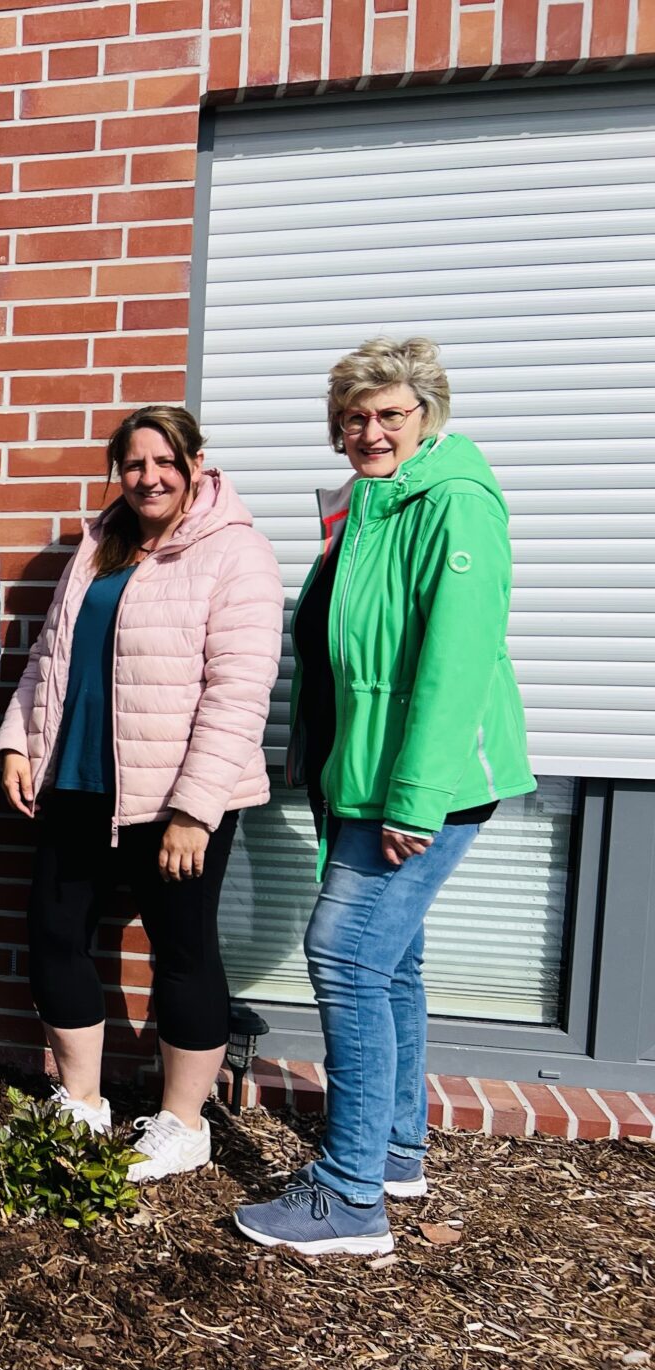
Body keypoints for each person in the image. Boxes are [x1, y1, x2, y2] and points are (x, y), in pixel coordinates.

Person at [236, 338, 533, 1254]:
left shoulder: (454, 504)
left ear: (427, 415)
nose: (369, 430)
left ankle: (349, 1194)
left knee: (346, 955)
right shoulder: (369, 503)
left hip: (420, 785)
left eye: (389, 414)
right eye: (355, 416)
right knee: (391, 963)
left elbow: (453, 665)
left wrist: (415, 798)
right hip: (363, 778)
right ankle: (396, 1149)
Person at [0, 405, 281, 1181]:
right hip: (78, 782)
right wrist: (18, 741)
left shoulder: (236, 553)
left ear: (193, 463)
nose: (148, 478)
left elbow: (239, 692)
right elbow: (50, 656)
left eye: (163, 462)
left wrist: (195, 809)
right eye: (132, 464)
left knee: (182, 952)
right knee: (53, 934)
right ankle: (83, 1102)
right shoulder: (101, 542)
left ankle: (184, 1124)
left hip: (176, 798)